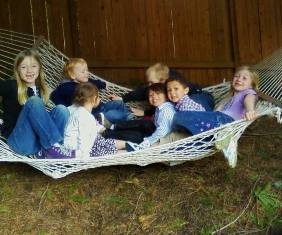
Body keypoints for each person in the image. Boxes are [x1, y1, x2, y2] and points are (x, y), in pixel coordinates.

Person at [0, 49, 73, 158]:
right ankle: (53, 148)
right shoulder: (11, 86)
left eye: (33, 66)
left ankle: (55, 148)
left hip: (38, 143)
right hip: (20, 141)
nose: (29, 70)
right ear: (18, 70)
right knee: (34, 101)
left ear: (39, 68)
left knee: (62, 109)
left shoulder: (42, 90)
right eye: (23, 67)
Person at [173, 66, 259, 135]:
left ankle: (220, 136)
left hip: (225, 122)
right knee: (181, 118)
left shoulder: (248, 92)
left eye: (244, 78)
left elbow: (250, 100)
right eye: (237, 76)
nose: (239, 79)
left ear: (251, 84)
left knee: (178, 117)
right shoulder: (229, 96)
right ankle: (214, 138)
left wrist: (250, 111)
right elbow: (216, 111)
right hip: (216, 120)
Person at [50, 58, 132, 123]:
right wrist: (65, 108)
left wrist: (103, 84)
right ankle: (125, 117)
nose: (87, 73)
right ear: (72, 75)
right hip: (94, 115)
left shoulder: (84, 81)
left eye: (87, 70)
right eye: (83, 71)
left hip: (101, 106)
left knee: (119, 103)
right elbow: (54, 95)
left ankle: (123, 118)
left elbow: (94, 82)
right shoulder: (65, 88)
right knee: (112, 115)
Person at [103, 83, 176, 151]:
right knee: (145, 123)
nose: (154, 97)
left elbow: (162, 132)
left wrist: (148, 141)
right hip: (153, 131)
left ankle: (106, 134)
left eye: (157, 93)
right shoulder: (162, 107)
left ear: (166, 96)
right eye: (151, 95)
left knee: (134, 135)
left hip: (159, 139)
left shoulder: (166, 110)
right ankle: (113, 127)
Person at [63, 82, 125, 158]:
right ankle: (131, 152)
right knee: (108, 150)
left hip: (86, 142)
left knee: (104, 142)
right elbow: (83, 139)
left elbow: (91, 127)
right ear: (94, 98)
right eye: (98, 97)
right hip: (79, 150)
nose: (100, 99)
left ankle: (129, 144)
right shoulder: (85, 116)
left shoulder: (79, 110)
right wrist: (84, 156)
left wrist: (102, 129)